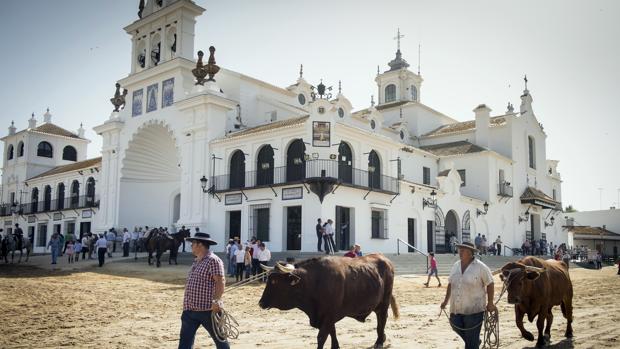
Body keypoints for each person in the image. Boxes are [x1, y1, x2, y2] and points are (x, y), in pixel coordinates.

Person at [440, 241, 495, 349]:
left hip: (474, 311)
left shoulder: (481, 267)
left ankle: (473, 343)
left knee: (470, 343)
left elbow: (490, 283)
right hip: (456, 309)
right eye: (460, 249)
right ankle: (474, 341)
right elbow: (450, 283)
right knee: (455, 325)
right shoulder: (456, 265)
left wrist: (490, 303)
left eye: (464, 250)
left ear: (471, 253)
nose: (460, 252)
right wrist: (445, 301)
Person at [178, 232, 229, 349]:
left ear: (200, 245)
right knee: (184, 342)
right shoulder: (196, 261)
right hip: (189, 309)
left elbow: (220, 281)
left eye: (193, 243)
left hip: (208, 310)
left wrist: (217, 300)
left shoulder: (213, 260)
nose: (191, 246)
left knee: (220, 341)